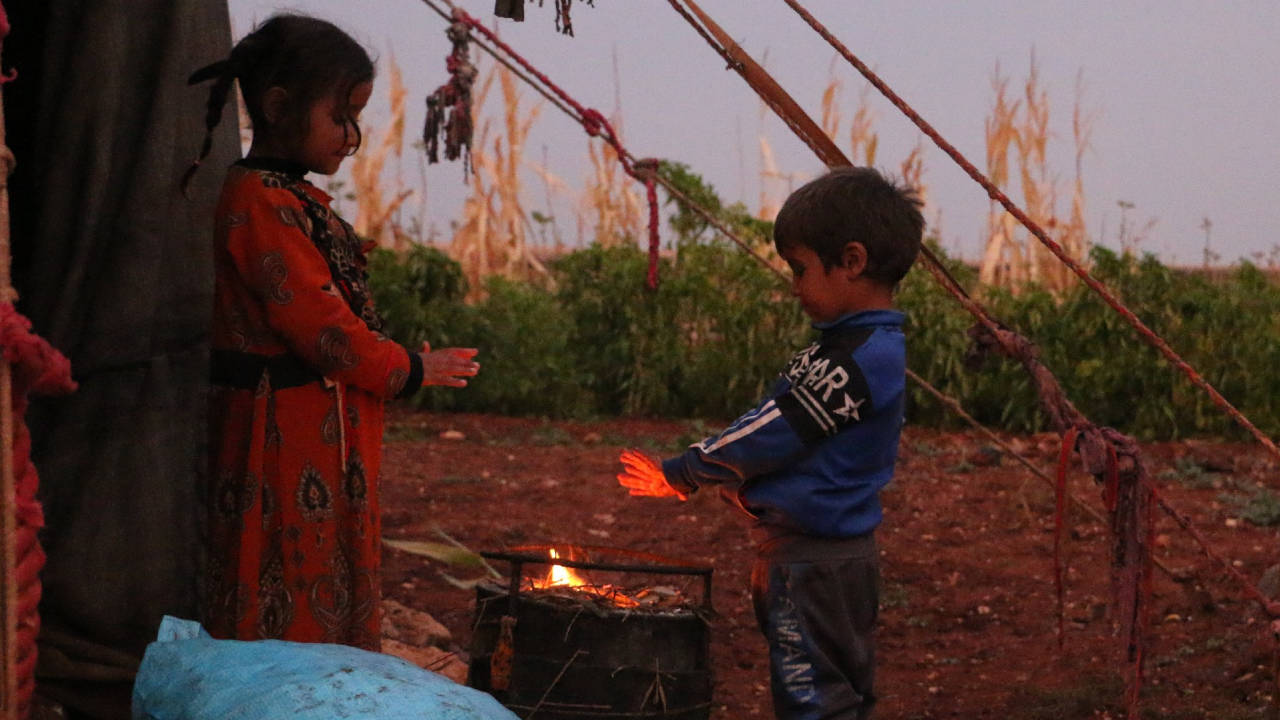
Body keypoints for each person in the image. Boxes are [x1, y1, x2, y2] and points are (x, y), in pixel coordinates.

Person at [186, 14, 480, 650]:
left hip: (309, 433)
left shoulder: (284, 198)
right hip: (281, 440)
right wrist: (410, 367)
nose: (353, 136)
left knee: (312, 579)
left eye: (357, 117)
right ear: (279, 107)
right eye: (340, 116)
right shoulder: (260, 202)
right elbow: (322, 331)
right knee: (285, 592)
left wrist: (394, 358)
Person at [618, 167, 923, 719]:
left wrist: (686, 470)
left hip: (811, 563)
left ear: (851, 262)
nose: (794, 285)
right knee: (839, 690)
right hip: (827, 557)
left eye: (801, 269)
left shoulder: (856, 359)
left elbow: (772, 429)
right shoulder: (854, 347)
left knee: (812, 698)